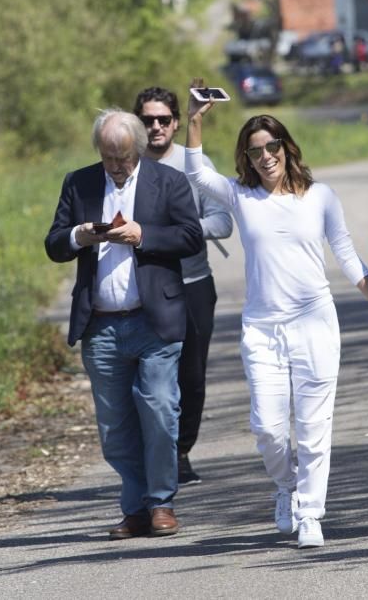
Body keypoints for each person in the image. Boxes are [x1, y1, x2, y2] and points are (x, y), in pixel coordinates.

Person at [185, 77, 368, 549]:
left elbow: (344, 250)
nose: (265, 156)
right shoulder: (241, 197)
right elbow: (196, 175)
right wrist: (193, 120)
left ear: (287, 147)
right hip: (263, 328)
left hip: (314, 322)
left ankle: (311, 514)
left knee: (312, 429)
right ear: (245, 159)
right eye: (254, 151)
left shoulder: (319, 196)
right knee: (268, 428)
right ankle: (287, 488)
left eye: (272, 146)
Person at [44, 109, 203, 540]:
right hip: (101, 325)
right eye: (108, 156)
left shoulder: (167, 182)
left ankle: (161, 503)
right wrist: (79, 235)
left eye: (124, 156)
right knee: (115, 428)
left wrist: (142, 234)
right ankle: (134, 508)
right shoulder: (79, 182)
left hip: (155, 322)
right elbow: (54, 244)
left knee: (159, 411)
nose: (116, 165)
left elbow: (191, 237)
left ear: (138, 147)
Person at [133, 87, 234, 484]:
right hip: (142, 285)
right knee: (148, 378)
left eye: (163, 120)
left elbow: (223, 222)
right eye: (147, 120)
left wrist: (179, 234)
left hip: (192, 283)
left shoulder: (194, 162)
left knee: (191, 376)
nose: (155, 127)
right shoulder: (126, 164)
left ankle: (181, 451)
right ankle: (153, 453)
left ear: (176, 123)